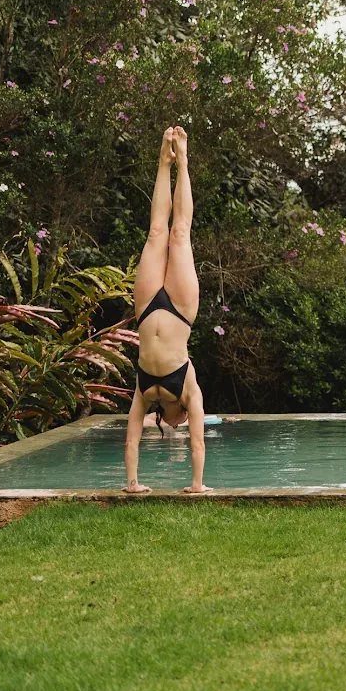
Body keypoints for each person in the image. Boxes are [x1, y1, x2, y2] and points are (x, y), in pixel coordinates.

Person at [123, 126, 212, 494]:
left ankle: (165, 161)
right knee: (179, 233)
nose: (179, 425)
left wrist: (132, 483)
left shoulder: (145, 394)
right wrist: (197, 485)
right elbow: (199, 442)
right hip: (180, 308)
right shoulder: (190, 393)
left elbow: (130, 440)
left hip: (146, 308)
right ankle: (182, 161)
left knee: (158, 233)